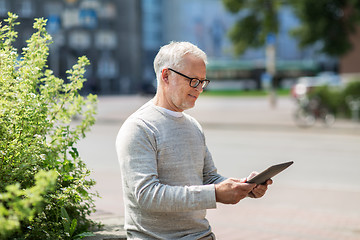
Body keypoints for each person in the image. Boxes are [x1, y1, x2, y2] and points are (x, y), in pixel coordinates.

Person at [116, 41, 272, 239]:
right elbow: (147, 196)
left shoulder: (193, 126)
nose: (199, 88)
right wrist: (215, 193)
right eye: (193, 80)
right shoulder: (139, 128)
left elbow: (208, 179)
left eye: (203, 81)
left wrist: (243, 186)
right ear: (166, 75)